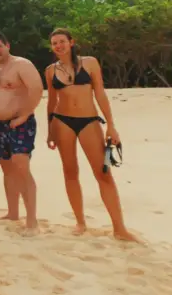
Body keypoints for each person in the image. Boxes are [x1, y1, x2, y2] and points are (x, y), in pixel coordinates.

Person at [44, 28, 137, 242]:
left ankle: (119, 228)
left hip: (89, 121)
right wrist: (50, 130)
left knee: (103, 173)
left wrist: (111, 126)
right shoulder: (50, 71)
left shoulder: (90, 63)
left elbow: (100, 93)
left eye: (62, 41)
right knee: (70, 172)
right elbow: (51, 101)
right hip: (62, 122)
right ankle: (80, 222)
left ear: (71, 42)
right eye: (54, 43)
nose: (58, 46)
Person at [0, 32, 44, 234]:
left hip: (20, 122)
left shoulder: (21, 64)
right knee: (7, 168)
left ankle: (32, 221)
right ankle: (12, 212)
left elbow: (37, 89)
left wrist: (24, 115)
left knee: (21, 167)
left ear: (7, 45)